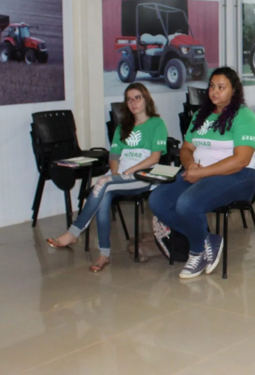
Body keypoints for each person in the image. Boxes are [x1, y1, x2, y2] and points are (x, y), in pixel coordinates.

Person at [149, 67, 255, 279]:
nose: (214, 91)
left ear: (234, 90)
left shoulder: (245, 117)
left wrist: (202, 173)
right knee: (158, 200)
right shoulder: (201, 115)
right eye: (211, 86)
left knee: (187, 203)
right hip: (200, 174)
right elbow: (186, 148)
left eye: (221, 87)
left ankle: (197, 252)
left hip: (238, 177)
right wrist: (190, 165)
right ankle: (207, 239)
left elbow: (241, 160)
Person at [46, 83, 168, 271]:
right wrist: (115, 174)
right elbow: (114, 155)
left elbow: (155, 158)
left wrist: (129, 171)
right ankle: (104, 254)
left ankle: (73, 233)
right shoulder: (122, 127)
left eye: (137, 98)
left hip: (142, 175)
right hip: (119, 176)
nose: (133, 103)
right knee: (104, 194)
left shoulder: (156, 124)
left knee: (103, 184)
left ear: (146, 99)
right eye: (129, 99)